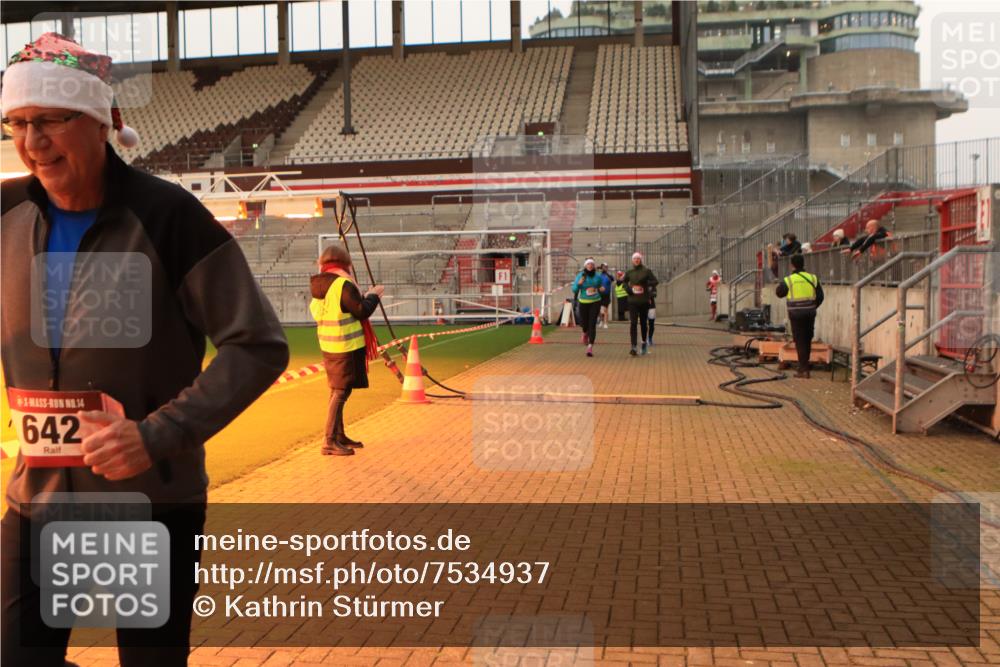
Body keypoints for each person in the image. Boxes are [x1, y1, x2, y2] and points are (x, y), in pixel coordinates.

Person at [0, 33, 289, 666]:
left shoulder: (167, 217)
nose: (32, 142)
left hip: (147, 501)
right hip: (37, 498)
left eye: (50, 119)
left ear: (100, 122)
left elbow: (258, 344)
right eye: (17, 123)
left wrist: (155, 434)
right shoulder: (6, 212)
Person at [310, 245, 383, 456]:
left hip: (329, 344)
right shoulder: (342, 284)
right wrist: (373, 295)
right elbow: (361, 310)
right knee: (340, 392)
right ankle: (329, 441)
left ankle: (338, 435)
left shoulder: (320, 284)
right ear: (345, 263)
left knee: (338, 390)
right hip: (345, 346)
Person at [776, 254, 824, 378]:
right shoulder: (813, 278)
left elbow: (779, 293)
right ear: (803, 264)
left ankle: (803, 369)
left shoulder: (789, 280)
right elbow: (820, 296)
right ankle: (804, 366)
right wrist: (812, 306)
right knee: (807, 339)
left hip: (796, 314)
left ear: (792, 265)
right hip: (809, 313)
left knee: (800, 340)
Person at [624, 252, 658, 356]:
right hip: (632, 301)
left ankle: (643, 343)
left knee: (643, 323)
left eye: (638, 258)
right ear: (632, 260)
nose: (636, 260)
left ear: (641, 260)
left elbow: (655, 281)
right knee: (633, 323)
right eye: (635, 259)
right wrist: (629, 289)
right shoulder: (629, 272)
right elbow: (624, 282)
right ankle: (633, 346)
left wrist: (646, 283)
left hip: (644, 301)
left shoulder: (646, 271)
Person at [571, 258, 606, 357]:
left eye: (591, 264)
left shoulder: (597, 276)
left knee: (592, 324)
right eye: (588, 264)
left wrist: (601, 288)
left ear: (594, 266)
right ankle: (584, 332)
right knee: (584, 324)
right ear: (585, 266)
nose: (590, 266)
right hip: (583, 302)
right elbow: (574, 290)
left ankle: (590, 347)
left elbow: (600, 286)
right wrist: (579, 284)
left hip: (595, 302)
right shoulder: (581, 276)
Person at [598, 262, 613, 329]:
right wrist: (599, 288)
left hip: (606, 294)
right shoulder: (599, 275)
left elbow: (612, 279)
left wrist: (607, 274)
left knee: (605, 310)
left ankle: (605, 323)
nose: (605, 268)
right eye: (603, 267)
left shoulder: (609, 275)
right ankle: (601, 321)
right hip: (599, 294)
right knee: (599, 309)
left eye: (606, 267)